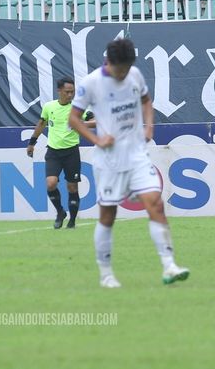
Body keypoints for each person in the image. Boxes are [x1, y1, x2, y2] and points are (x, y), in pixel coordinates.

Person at [69, 38, 189, 288]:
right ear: (109, 63)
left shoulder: (134, 74)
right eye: (120, 69)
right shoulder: (91, 83)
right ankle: (106, 275)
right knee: (108, 215)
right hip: (109, 161)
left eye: (127, 68)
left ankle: (169, 265)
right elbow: (74, 119)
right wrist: (96, 139)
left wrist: (149, 127)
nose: (124, 73)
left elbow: (146, 100)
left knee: (155, 203)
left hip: (136, 154)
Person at [27, 77, 94, 229]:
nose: (70, 95)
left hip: (71, 153)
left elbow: (95, 120)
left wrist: (82, 123)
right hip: (53, 152)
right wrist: (32, 143)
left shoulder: (78, 108)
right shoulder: (49, 106)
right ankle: (60, 212)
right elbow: (41, 124)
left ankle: (72, 221)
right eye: (67, 92)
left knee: (72, 187)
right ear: (59, 91)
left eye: (72, 92)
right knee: (50, 183)